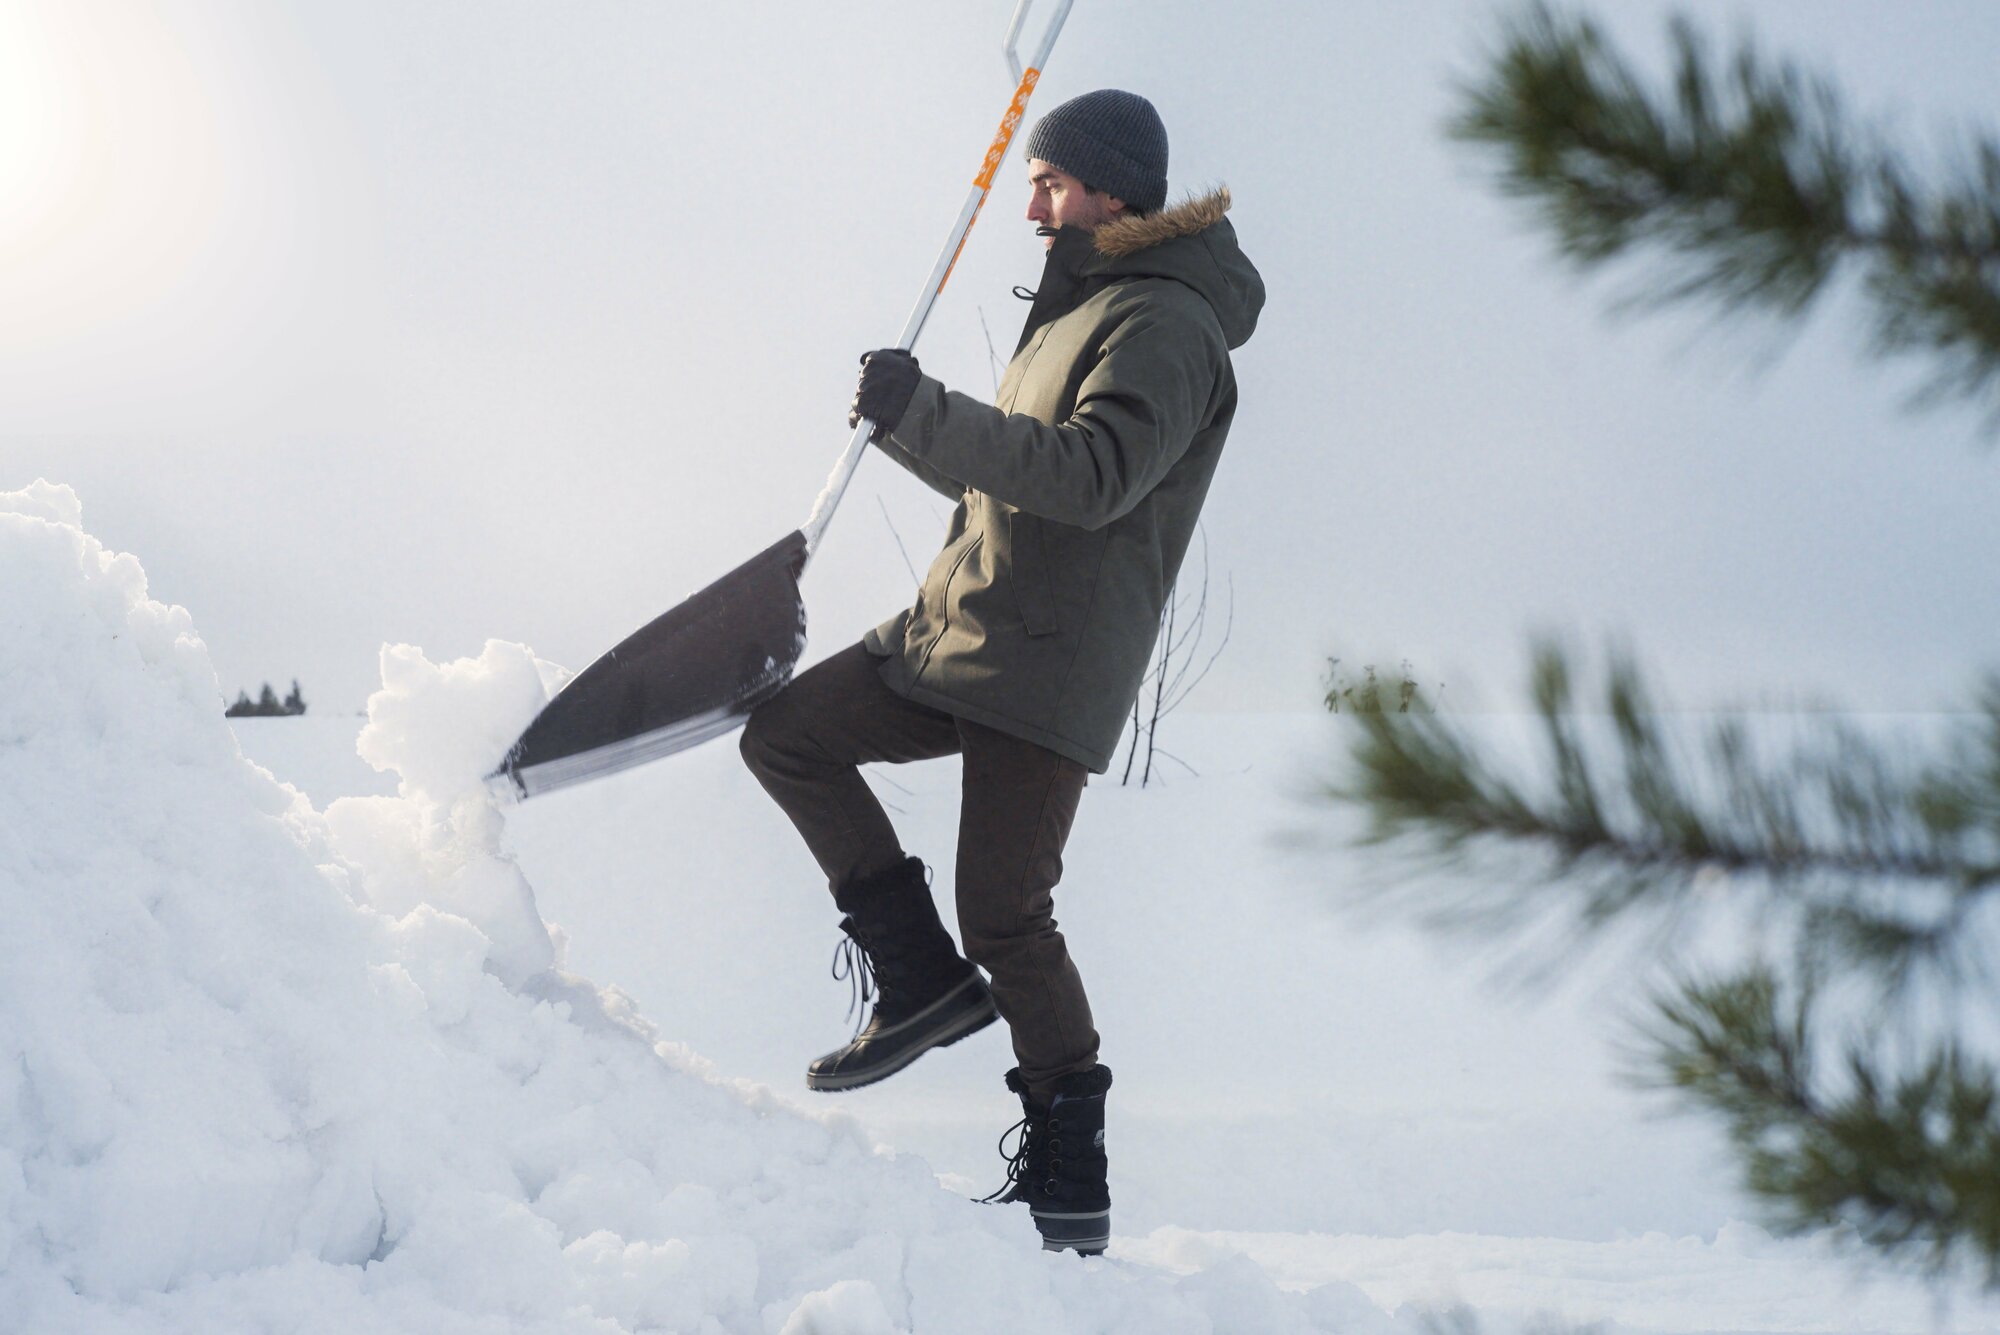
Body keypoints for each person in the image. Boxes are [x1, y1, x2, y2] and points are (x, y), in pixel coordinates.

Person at [739, 88, 1263, 1255]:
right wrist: (910, 425)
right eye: (1031, 180)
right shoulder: (1080, 309)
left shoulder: (1167, 324)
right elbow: (1006, 484)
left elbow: (1089, 481)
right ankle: (918, 979)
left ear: (1111, 189)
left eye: (1049, 181)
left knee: (1007, 915)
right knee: (787, 735)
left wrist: (933, 407)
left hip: (1049, 662)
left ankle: (1069, 1173)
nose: (1030, 204)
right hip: (967, 628)